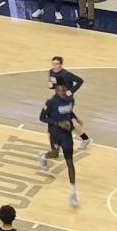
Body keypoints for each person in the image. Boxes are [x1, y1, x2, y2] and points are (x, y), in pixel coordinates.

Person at [42, 76, 90, 210]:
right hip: (54, 132)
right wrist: (57, 123)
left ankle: (73, 194)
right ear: (56, 90)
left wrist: (75, 118)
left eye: (64, 90)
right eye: (59, 91)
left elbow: (69, 111)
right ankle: (43, 157)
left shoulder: (70, 99)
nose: (62, 93)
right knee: (54, 154)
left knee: (70, 163)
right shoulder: (50, 102)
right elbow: (42, 117)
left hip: (66, 135)